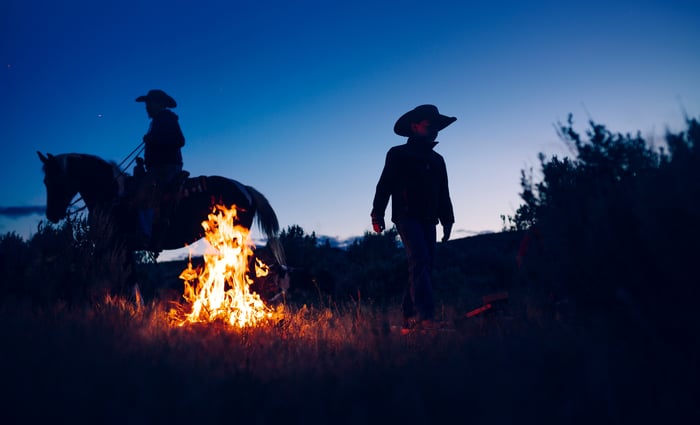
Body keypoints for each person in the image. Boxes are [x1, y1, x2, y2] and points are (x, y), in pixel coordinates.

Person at [371, 104, 456, 333]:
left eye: (436, 127)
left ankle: (409, 316)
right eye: (430, 126)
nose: (434, 131)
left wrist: (448, 220)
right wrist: (377, 213)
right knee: (419, 259)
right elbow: (385, 185)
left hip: (429, 218)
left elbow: (443, 192)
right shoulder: (398, 154)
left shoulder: (438, 160)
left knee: (425, 263)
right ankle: (425, 317)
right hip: (406, 215)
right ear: (414, 127)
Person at [134, 89, 186, 250]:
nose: (147, 107)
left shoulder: (167, 119)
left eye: (150, 103)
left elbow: (179, 140)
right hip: (158, 167)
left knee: (144, 193)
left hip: (167, 167)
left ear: (160, 104)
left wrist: (153, 140)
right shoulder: (156, 122)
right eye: (147, 104)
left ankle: (146, 234)